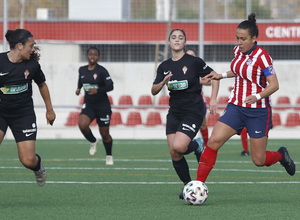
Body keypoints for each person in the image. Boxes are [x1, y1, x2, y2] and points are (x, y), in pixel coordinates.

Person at [196, 13, 296, 186]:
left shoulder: (263, 57)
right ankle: (197, 185)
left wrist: (257, 96)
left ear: (254, 38)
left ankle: (281, 155)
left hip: (258, 111)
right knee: (213, 142)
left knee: (259, 160)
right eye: (237, 38)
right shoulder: (238, 51)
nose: (239, 42)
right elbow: (239, 70)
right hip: (236, 107)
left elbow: (274, 85)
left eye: (243, 39)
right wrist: (221, 75)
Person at [151, 29, 219, 199]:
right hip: (174, 112)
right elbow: (153, 90)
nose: (177, 40)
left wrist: (213, 100)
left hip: (193, 111)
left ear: (184, 42)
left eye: (180, 38)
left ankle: (198, 146)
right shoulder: (164, 66)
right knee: (174, 152)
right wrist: (163, 82)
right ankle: (189, 186)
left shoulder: (194, 62)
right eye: (173, 37)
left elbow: (215, 77)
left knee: (179, 147)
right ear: (169, 42)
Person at [0, 29, 56, 186]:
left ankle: (38, 168)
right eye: (31, 46)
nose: (33, 49)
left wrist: (49, 110)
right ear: (19, 46)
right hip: (1, 113)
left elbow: (42, 85)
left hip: (23, 114)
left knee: (28, 160)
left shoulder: (32, 65)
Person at [75, 47, 114, 165]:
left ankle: (109, 155)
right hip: (89, 104)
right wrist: (78, 88)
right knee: (82, 124)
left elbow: (110, 86)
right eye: (90, 54)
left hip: (103, 106)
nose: (92, 56)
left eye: (95, 55)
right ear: (87, 56)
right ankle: (93, 141)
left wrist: (97, 91)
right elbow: (81, 81)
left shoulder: (102, 71)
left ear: (98, 57)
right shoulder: (82, 70)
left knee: (105, 134)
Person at [186, 49, 213, 148]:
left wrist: (196, 81)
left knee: (203, 125)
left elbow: (209, 81)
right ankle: (187, 145)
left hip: (198, 100)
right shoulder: (181, 68)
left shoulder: (199, 68)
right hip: (184, 101)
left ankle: (206, 146)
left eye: (192, 55)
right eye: (188, 55)